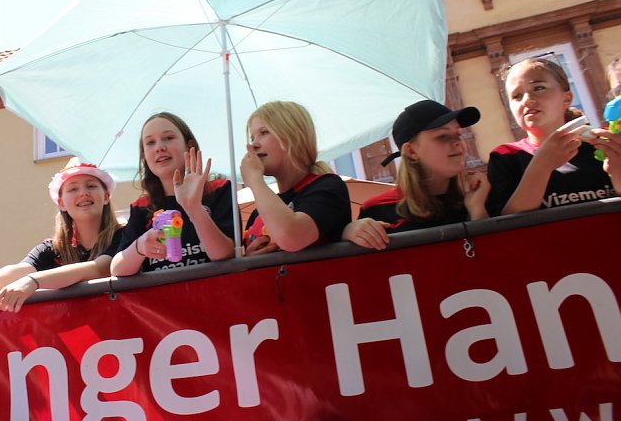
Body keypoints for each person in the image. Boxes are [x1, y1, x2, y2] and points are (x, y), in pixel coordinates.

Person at [0, 158, 123, 312]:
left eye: (91, 186)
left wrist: (33, 282)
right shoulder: (51, 248)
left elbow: (100, 268)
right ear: (61, 203)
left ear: (106, 196)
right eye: (73, 189)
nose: (83, 192)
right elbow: (20, 270)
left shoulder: (124, 234)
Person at [343, 100, 489, 250]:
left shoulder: (481, 194)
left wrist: (478, 212)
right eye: (443, 136)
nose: (458, 142)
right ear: (411, 151)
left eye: (458, 134)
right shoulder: (379, 210)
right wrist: (347, 233)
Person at [487, 57, 620, 215]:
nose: (527, 100)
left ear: (567, 98)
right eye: (516, 96)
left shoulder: (605, 144)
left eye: (538, 88)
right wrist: (541, 167)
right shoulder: (506, 156)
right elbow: (507, 222)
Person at [111, 112, 235, 275]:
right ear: (144, 156)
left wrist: (193, 207)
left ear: (189, 146)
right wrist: (139, 247)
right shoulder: (141, 207)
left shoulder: (219, 190)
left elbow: (224, 255)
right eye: (150, 142)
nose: (159, 147)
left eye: (168, 138)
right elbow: (117, 269)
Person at [241, 101, 352, 254]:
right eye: (252, 137)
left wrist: (255, 180)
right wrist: (249, 259)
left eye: (264, 132)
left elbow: (292, 238)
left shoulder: (327, 187)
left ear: (293, 136)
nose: (253, 145)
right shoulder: (257, 213)